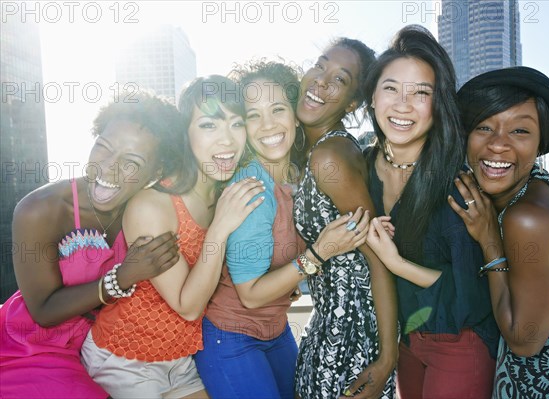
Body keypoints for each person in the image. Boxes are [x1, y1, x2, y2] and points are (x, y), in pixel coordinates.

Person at [194, 61, 371, 399]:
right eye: (253, 115)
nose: (268, 125)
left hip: (276, 330)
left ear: (294, 114)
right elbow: (250, 294)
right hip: (231, 336)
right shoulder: (253, 188)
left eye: (277, 109)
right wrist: (319, 253)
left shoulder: (297, 174)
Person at [80, 75, 264, 398]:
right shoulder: (152, 206)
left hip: (181, 357)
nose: (227, 141)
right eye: (210, 125)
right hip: (123, 356)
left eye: (236, 124)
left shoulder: (227, 193)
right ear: (186, 135)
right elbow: (188, 306)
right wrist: (219, 228)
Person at [0, 92, 183, 399]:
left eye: (131, 163)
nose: (108, 168)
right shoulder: (41, 210)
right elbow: (43, 311)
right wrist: (123, 277)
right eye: (104, 147)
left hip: (109, 347)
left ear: (156, 174)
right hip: (34, 348)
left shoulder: (151, 210)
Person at [363, 25, 499, 398]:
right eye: (391, 88)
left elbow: (470, 291)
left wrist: (396, 263)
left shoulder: (458, 182)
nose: (403, 105)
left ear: (437, 106)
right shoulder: (360, 169)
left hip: (460, 340)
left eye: (421, 93)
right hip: (406, 339)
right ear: (372, 97)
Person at [450, 66, 549, 399]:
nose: (498, 144)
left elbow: (525, 340)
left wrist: (489, 241)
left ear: (540, 143)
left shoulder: (527, 217)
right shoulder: (537, 189)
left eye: (520, 131)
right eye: (484, 126)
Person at [293, 38, 397, 398]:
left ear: (353, 102)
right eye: (320, 66)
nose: (321, 81)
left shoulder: (330, 157)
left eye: (340, 78)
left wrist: (386, 360)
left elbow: (379, 260)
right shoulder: (322, 148)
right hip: (325, 326)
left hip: (349, 344)